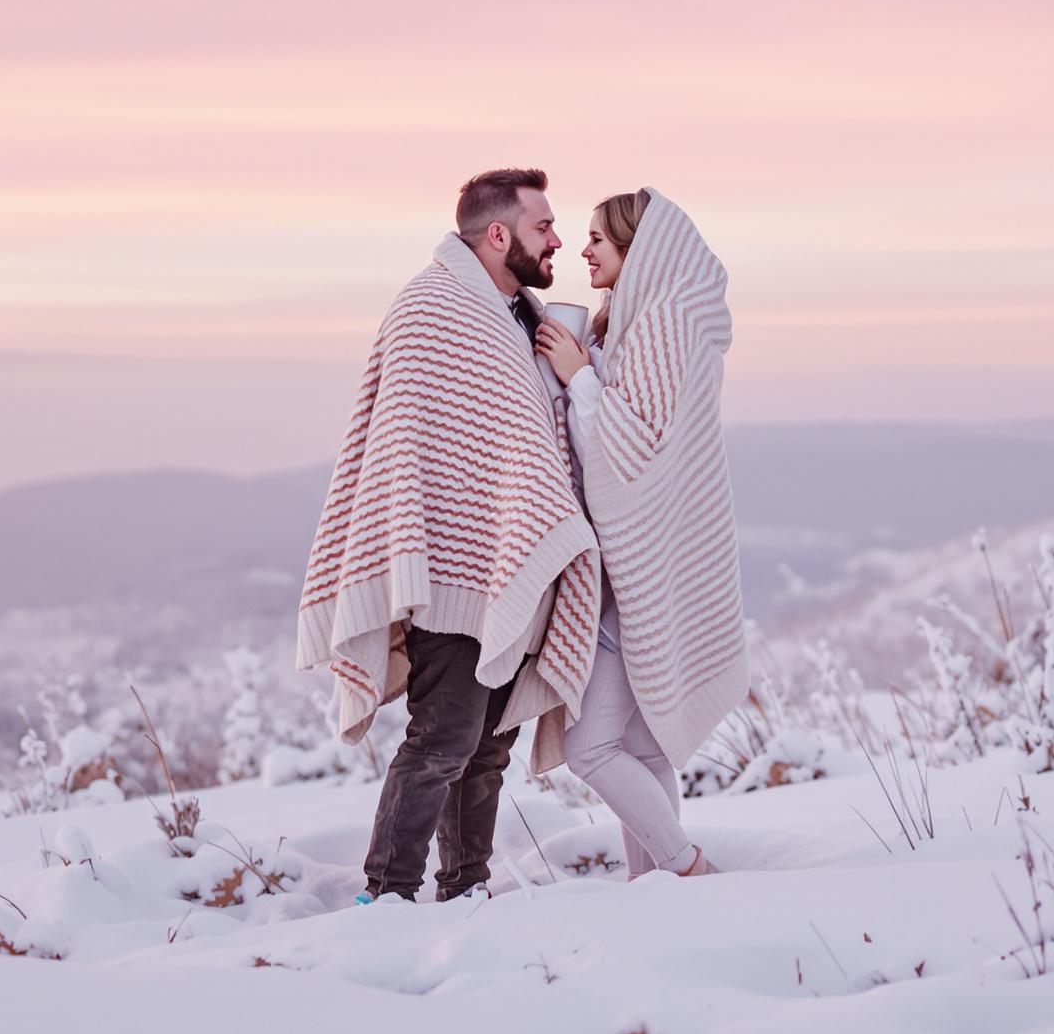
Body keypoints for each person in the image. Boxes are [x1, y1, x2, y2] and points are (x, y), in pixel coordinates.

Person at [296, 169, 602, 903]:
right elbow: (409, 442)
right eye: (543, 227)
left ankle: (465, 887)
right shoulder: (433, 309)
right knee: (441, 743)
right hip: (451, 567)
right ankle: (388, 892)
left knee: (489, 750)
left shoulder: (524, 318)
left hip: (513, 564)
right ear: (498, 234)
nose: (557, 239)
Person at [533, 188, 748, 878]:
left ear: (640, 249)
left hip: (646, 566)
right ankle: (654, 888)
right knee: (644, 747)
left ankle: (685, 867)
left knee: (589, 748)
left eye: (599, 238)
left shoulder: (663, 325)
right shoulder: (642, 322)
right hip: (642, 567)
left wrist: (578, 379)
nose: (584, 249)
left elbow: (628, 456)